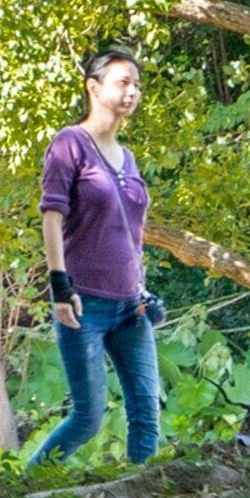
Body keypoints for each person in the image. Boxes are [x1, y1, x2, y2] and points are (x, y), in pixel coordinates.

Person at [28, 43, 162, 466]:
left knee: (146, 411)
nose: (133, 92)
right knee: (87, 418)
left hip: (130, 306)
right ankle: (21, 488)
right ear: (93, 86)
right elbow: (51, 215)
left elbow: (132, 231)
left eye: (137, 85)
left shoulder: (129, 158)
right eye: (124, 82)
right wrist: (59, 284)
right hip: (83, 302)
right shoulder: (71, 143)